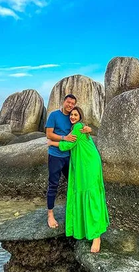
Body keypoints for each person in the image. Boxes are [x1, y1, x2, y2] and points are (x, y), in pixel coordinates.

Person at [47, 106, 109, 253]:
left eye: (75, 115)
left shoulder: (79, 127)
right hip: (84, 163)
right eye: (71, 115)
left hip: (88, 164)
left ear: (80, 117)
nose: (72, 117)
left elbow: (68, 144)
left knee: (91, 195)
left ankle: (96, 236)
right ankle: (86, 228)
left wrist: (51, 143)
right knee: (86, 193)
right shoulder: (78, 127)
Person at [45, 94, 91, 229]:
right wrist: (64, 138)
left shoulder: (73, 117)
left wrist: (89, 129)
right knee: (53, 184)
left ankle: (75, 211)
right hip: (55, 156)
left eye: (72, 103)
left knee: (73, 183)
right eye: (68, 102)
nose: (70, 105)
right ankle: (50, 214)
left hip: (69, 157)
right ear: (63, 101)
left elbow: (82, 129)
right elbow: (49, 134)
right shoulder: (54, 115)